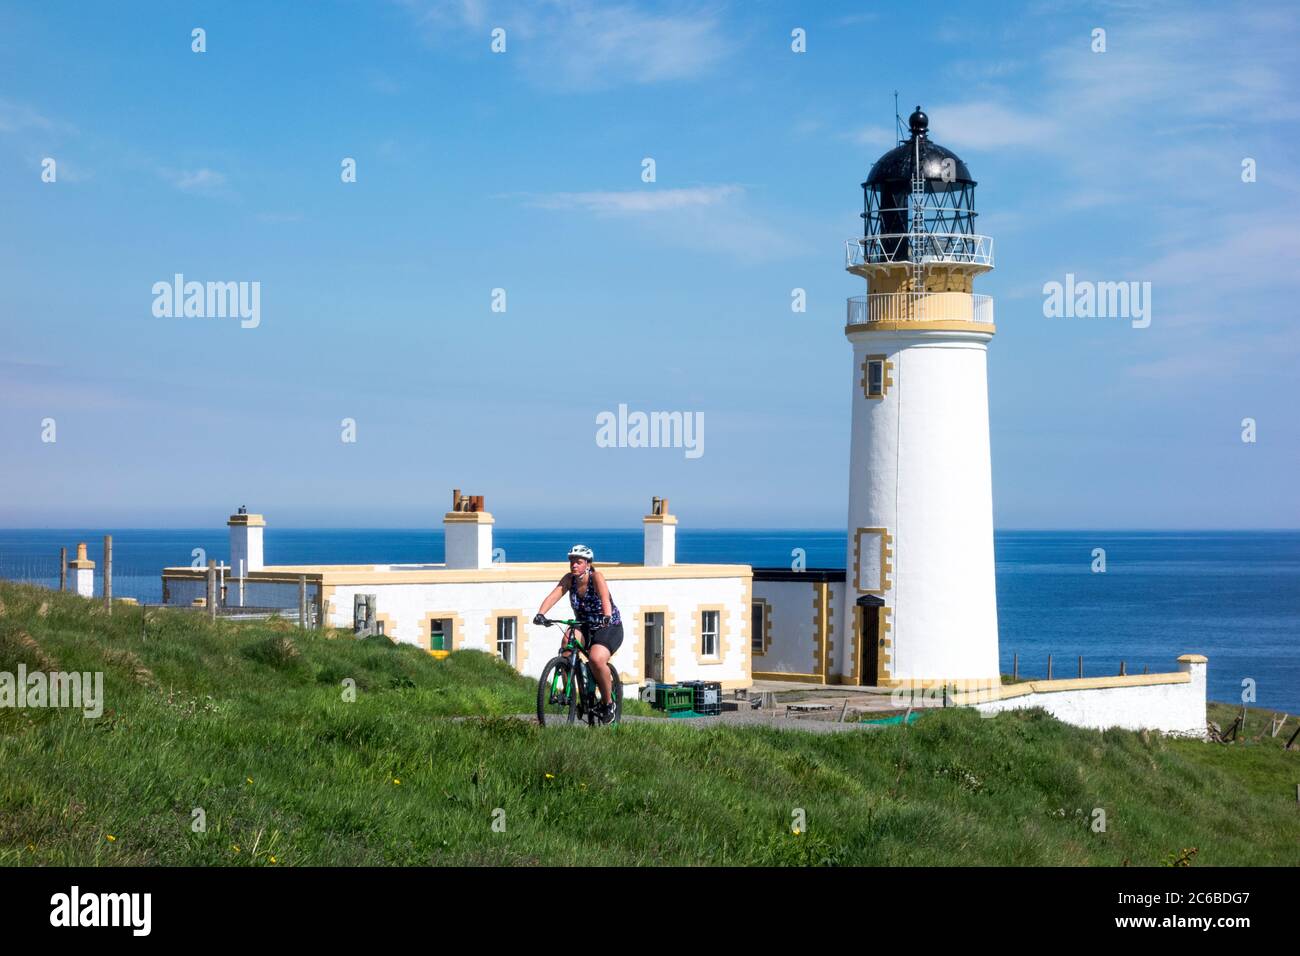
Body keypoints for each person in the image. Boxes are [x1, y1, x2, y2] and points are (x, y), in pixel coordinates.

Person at [533, 544, 623, 723]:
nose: (574, 565)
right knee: (566, 644)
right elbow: (553, 596)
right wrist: (540, 614)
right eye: (572, 561)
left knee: (597, 660)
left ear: (588, 564)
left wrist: (606, 615)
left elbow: (605, 598)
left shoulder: (596, 577)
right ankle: (571, 695)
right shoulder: (569, 579)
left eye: (578, 562)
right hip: (584, 625)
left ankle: (608, 703)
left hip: (608, 626)